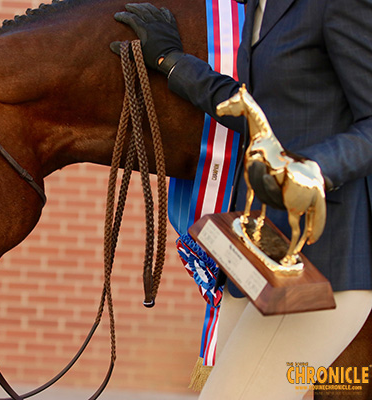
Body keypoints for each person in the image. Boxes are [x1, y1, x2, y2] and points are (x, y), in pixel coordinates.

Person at [112, 1, 372, 399]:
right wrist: (173, 62)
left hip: (327, 264)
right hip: (263, 251)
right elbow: (255, 110)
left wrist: (312, 170)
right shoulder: (260, 6)